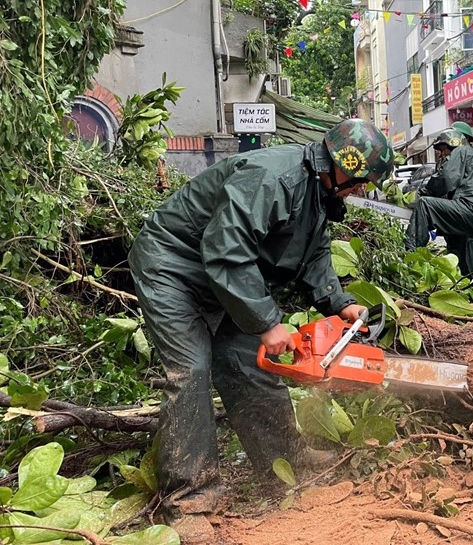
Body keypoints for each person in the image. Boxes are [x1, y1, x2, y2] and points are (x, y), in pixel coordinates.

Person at [129, 119, 394, 543]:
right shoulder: (274, 177)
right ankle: (188, 499)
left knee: (250, 364)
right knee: (191, 370)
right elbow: (226, 249)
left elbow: (312, 253)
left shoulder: (317, 192)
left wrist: (339, 303)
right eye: (361, 180)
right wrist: (268, 322)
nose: (362, 189)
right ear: (343, 166)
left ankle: (284, 463)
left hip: (223, 278)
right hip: (174, 268)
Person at [405, 128, 473, 279]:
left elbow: (446, 178)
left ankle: (409, 257)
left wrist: (425, 193)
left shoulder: (461, 152)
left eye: (443, 149)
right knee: (465, 257)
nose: (442, 154)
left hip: (469, 208)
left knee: (425, 205)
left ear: (453, 144)